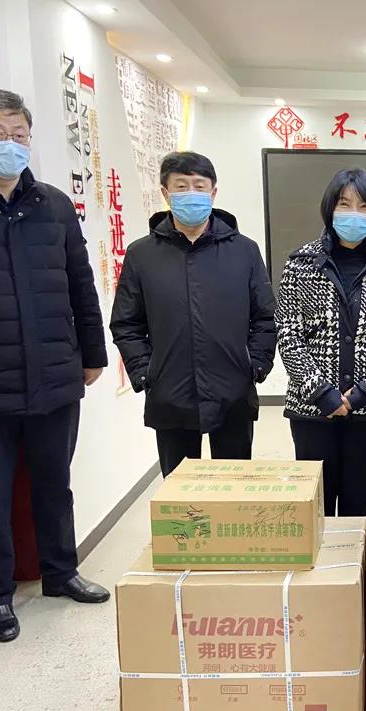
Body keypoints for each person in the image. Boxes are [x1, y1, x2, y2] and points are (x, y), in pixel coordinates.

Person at [0, 90, 109, 643]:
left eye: (20, 134)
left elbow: (80, 281)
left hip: (55, 373)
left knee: (55, 484)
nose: (10, 144)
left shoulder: (53, 204)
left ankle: (60, 572)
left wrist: (93, 353)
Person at [111, 152, 276, 477]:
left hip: (233, 390)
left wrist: (255, 365)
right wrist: (145, 373)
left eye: (199, 186)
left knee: (234, 485)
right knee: (180, 490)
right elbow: (126, 323)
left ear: (213, 193)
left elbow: (265, 316)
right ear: (165, 192)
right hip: (170, 391)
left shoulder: (244, 250)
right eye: (181, 186)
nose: (191, 194)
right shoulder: (142, 254)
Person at [277, 168, 366, 517]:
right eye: (344, 204)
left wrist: (365, 392)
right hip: (312, 410)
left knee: (359, 507)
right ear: (330, 209)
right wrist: (322, 392)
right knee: (316, 507)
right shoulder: (300, 265)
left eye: (364, 206)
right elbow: (289, 335)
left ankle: (354, 556)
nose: (355, 214)